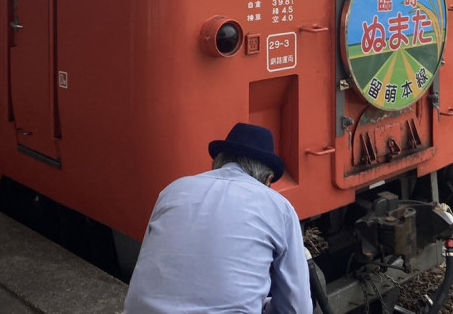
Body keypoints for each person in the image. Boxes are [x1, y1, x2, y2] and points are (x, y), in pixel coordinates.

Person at [123, 122, 313, 314]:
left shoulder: (172, 190)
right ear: (268, 179)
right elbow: (297, 308)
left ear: (215, 164)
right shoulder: (280, 208)